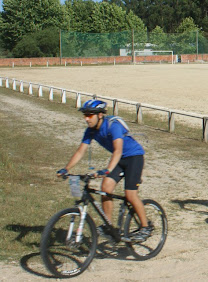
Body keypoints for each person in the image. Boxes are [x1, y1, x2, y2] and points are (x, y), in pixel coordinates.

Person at [56, 100, 152, 242]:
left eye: (89, 115)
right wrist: (66, 168)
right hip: (119, 160)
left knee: (130, 194)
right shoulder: (90, 131)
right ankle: (109, 226)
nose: (86, 118)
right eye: (85, 115)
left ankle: (145, 227)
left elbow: (118, 150)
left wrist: (107, 170)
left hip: (134, 157)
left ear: (100, 115)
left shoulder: (113, 126)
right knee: (105, 188)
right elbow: (81, 151)